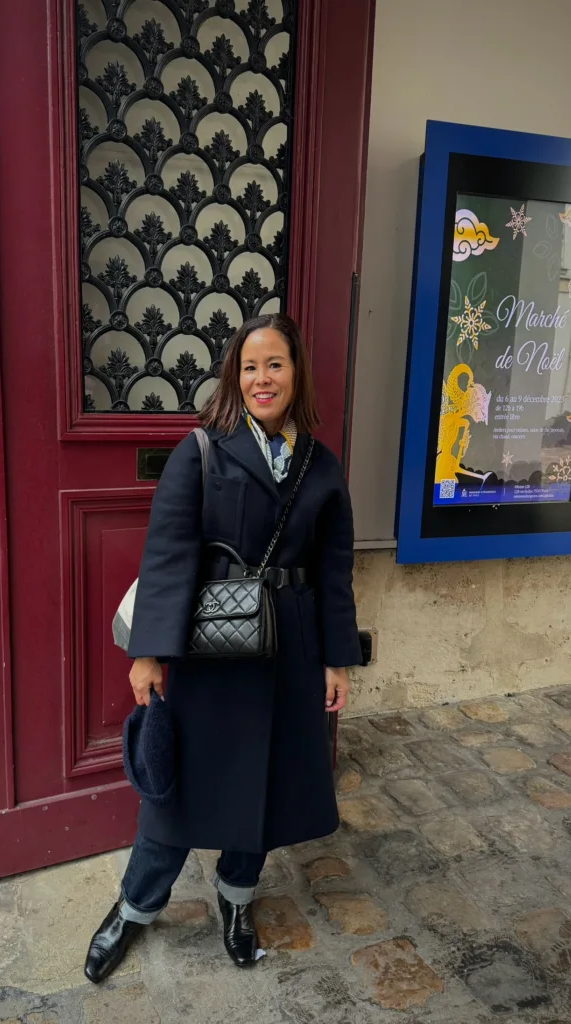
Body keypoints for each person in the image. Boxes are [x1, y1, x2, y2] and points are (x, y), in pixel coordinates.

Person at [84, 313, 361, 984]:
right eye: (249, 366)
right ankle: (136, 905)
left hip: (289, 650)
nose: (262, 378)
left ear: (296, 375)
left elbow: (334, 569)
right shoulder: (202, 450)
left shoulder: (320, 466)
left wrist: (337, 657)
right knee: (178, 793)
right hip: (213, 651)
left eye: (275, 364)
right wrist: (149, 653)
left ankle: (238, 902)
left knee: (259, 788)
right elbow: (170, 552)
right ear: (234, 378)